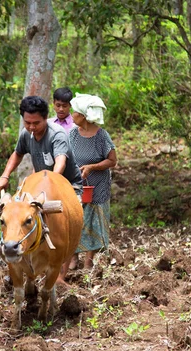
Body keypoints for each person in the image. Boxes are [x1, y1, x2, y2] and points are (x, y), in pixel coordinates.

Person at [58, 93, 117, 283]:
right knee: (75, 220)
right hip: (76, 184)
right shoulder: (73, 134)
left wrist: (92, 167)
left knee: (92, 221)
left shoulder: (101, 136)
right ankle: (73, 258)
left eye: (74, 112)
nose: (71, 115)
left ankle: (88, 262)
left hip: (97, 185)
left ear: (83, 116)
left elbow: (112, 160)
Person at [0, 95, 83, 196]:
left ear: (45, 118)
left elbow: (60, 162)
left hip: (69, 185)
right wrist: (5, 176)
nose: (32, 127)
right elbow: (17, 154)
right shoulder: (26, 134)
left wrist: (49, 184)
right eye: (27, 123)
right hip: (41, 185)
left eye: (36, 123)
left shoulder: (57, 134)